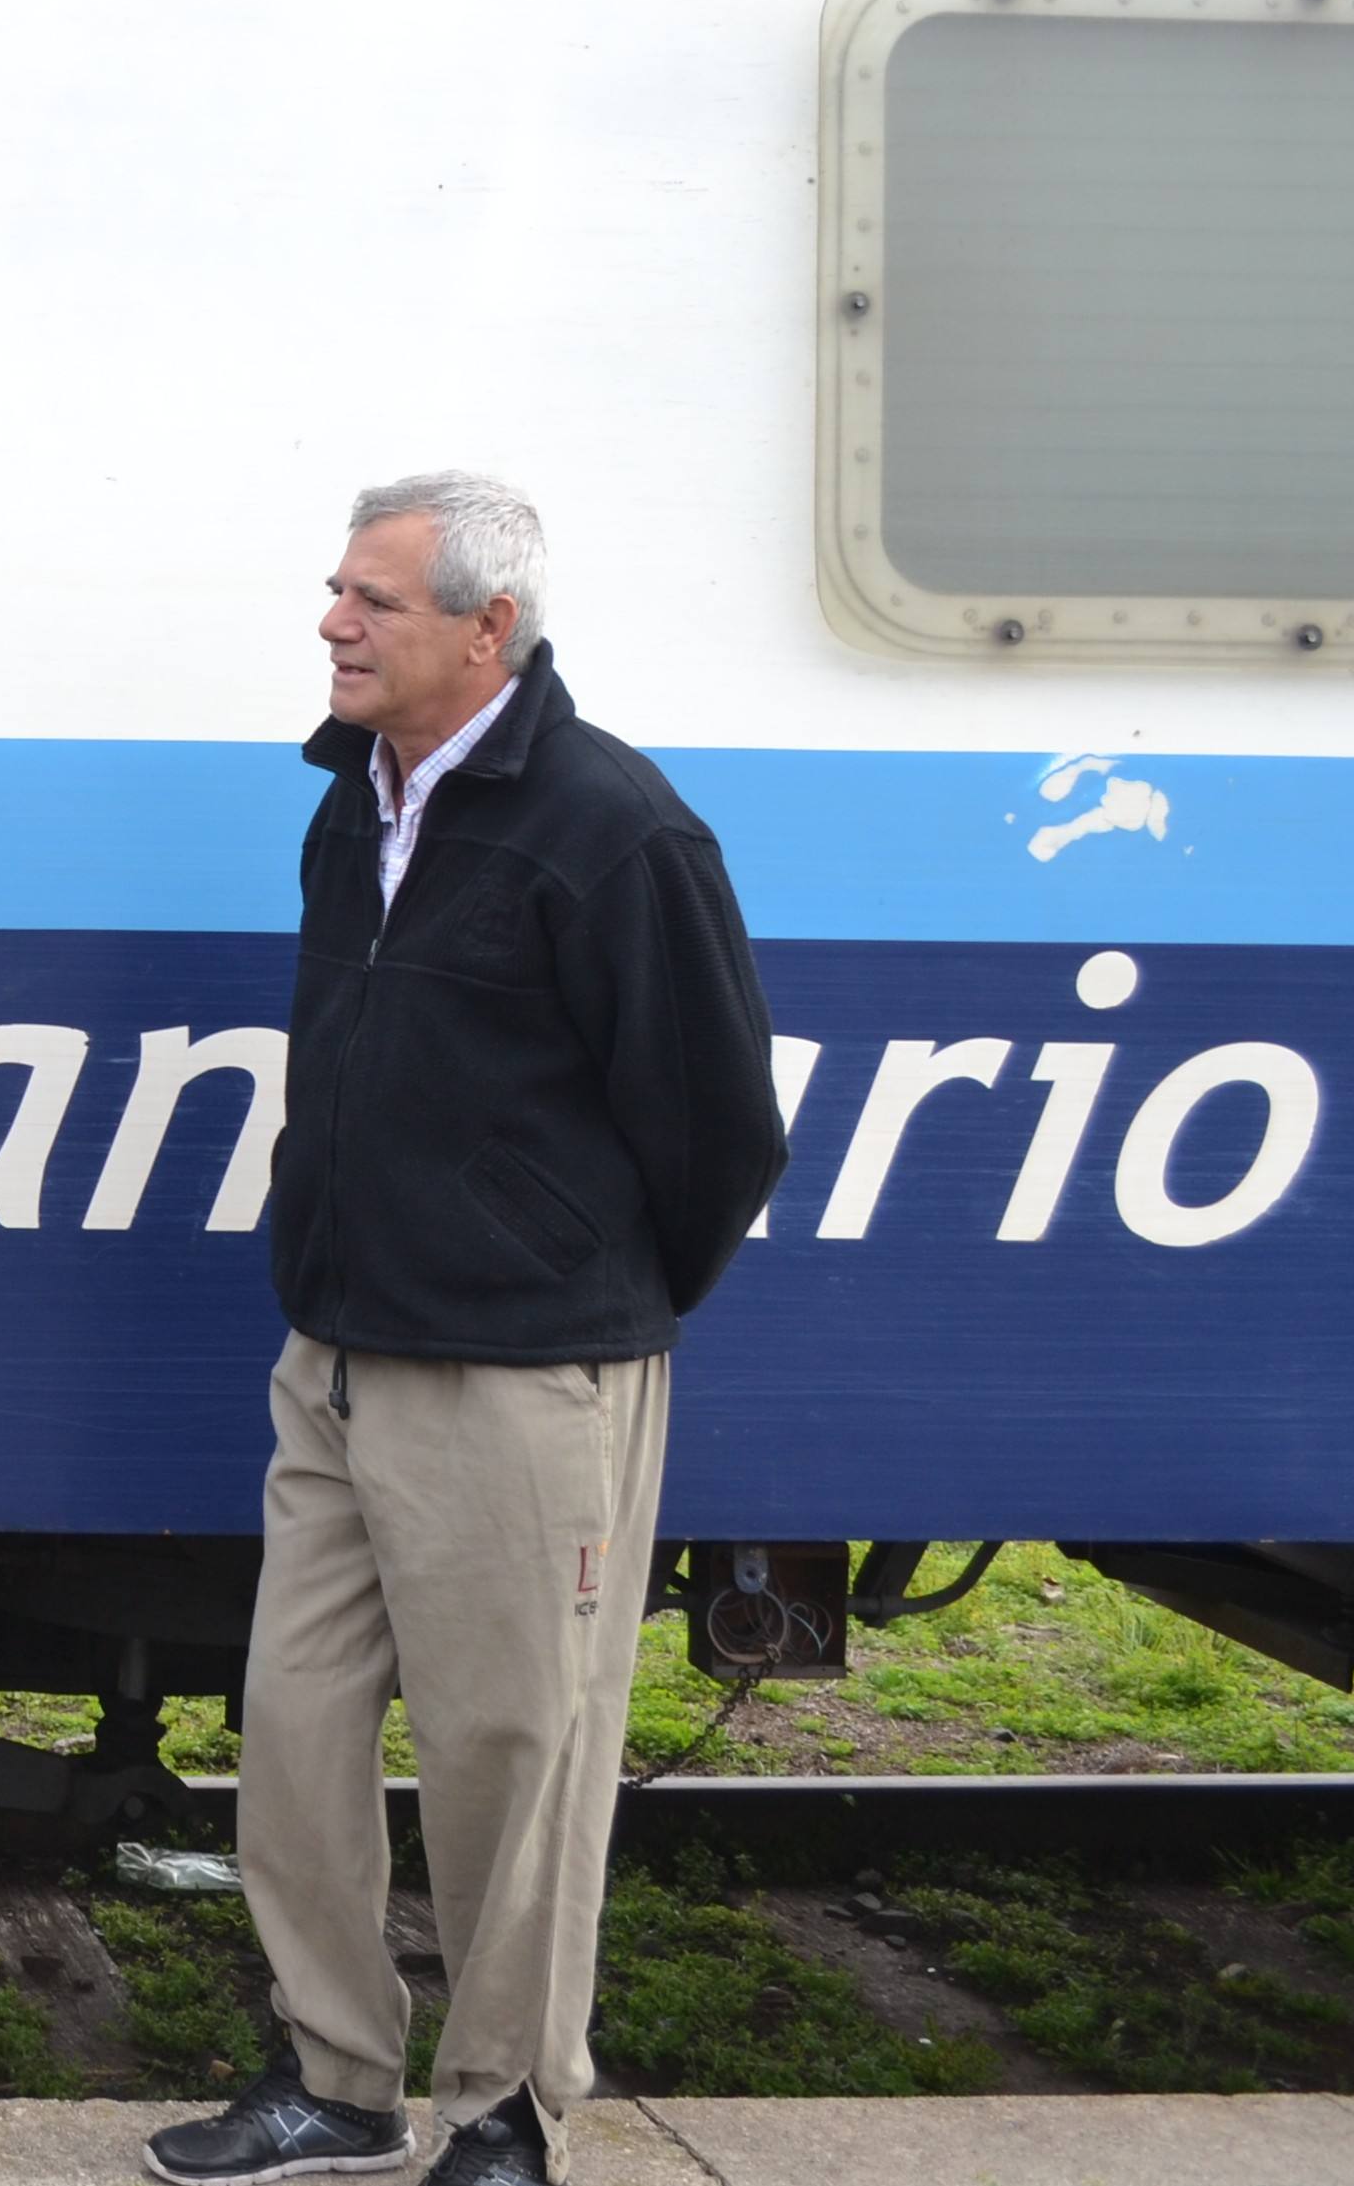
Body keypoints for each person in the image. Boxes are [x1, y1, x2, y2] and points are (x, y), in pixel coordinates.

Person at [143, 475, 786, 2186]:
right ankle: (338, 2080)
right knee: (291, 1729)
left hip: (520, 1376)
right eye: (336, 592)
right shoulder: (352, 803)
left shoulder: (614, 829)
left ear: (488, 629)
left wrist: (572, 1299)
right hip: (334, 1358)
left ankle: (505, 2109)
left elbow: (722, 1130)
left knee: (517, 1761)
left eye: (377, 601)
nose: (335, 623)